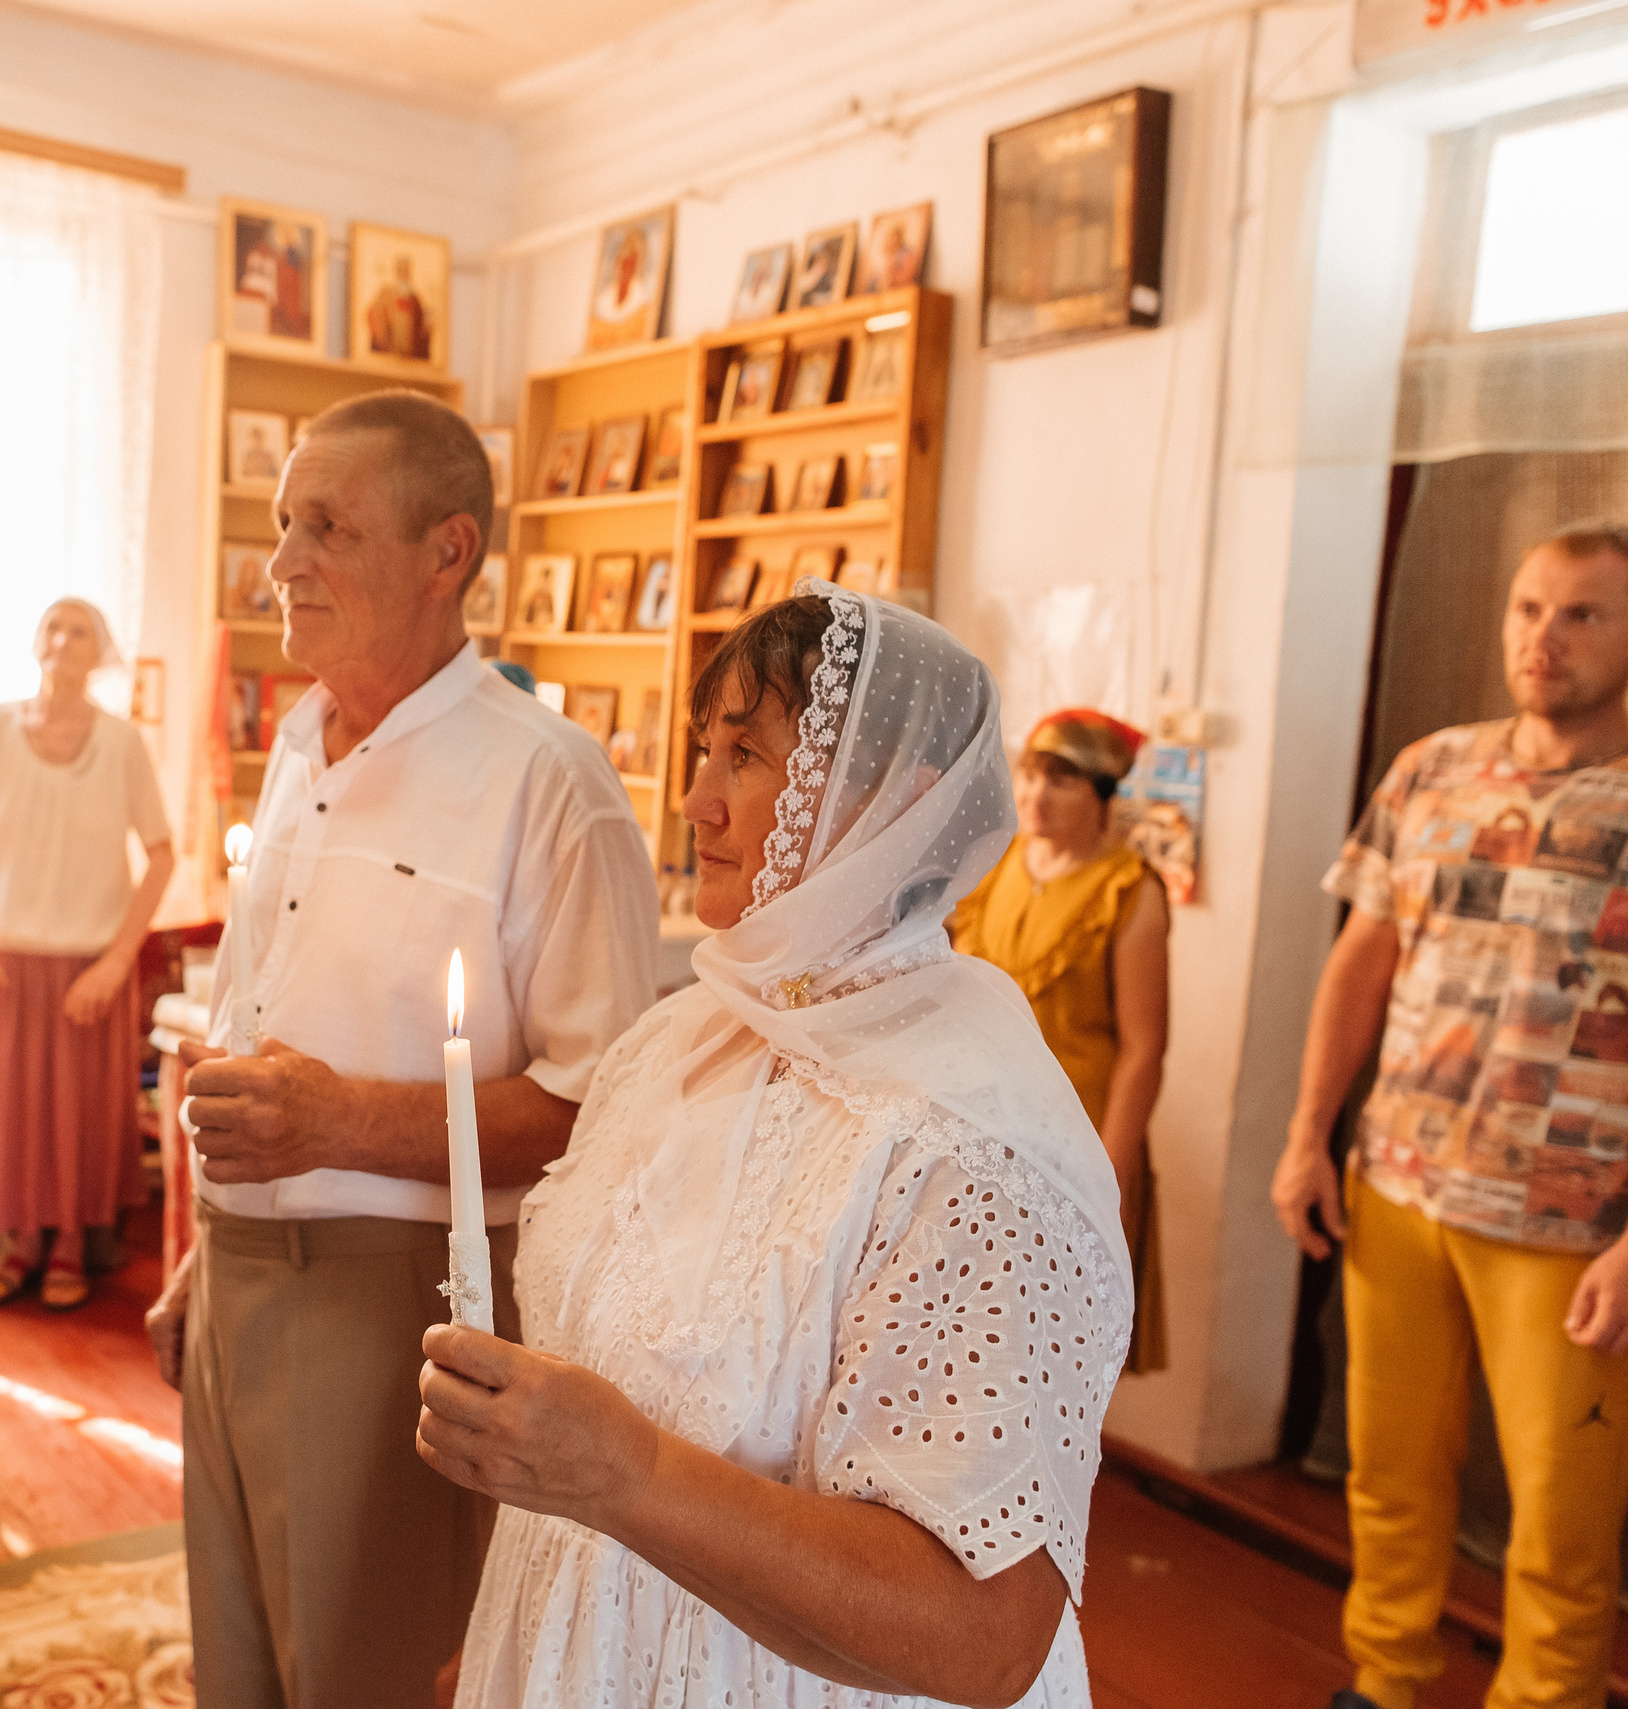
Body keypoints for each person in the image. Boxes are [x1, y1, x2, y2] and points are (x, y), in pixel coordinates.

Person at [416, 591, 1131, 1708]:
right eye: (705, 751)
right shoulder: (675, 1040)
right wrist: (536, 1600)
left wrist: (627, 1475)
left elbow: (984, 1636)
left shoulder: (969, 1145)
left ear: (881, 803)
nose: (693, 802)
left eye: (745, 756)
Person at [148, 390, 659, 1709]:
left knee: (359, 1676)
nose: (283, 563)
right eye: (280, 526)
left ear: (450, 553)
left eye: (326, 526)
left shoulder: (549, 781)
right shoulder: (298, 744)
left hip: (404, 1297)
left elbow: (602, 1110)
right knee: (242, 1666)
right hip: (242, 1272)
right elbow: (260, 1032)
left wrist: (339, 1128)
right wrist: (210, 1252)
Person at [1271, 524, 1628, 1709]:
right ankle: (1384, 1675)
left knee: (1560, 1516)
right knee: (1387, 1474)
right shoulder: (1429, 768)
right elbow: (1362, 960)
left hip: (1571, 1223)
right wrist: (1308, 1130)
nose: (1539, 637)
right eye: (1525, 607)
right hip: (1396, 1181)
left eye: (1580, 614)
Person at [0, 597, 174, 1312]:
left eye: (80, 631)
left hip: (89, 966)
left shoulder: (123, 744)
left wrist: (115, 962)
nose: (63, 641)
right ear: (34, 642)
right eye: (53, 627)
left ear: (99, 652)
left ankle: (70, 1245)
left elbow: (161, 856)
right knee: (6, 1116)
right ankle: (11, 1247)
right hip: (5, 963)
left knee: (78, 1119)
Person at [950, 707, 1171, 1372]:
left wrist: (1111, 1169)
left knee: (1055, 1343)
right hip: (985, 1126)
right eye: (1031, 774)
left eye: (1063, 781)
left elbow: (1143, 1047)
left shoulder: (1128, 892)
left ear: (1103, 797)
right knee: (970, 1325)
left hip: (1074, 1140)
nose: (1036, 794)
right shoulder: (995, 866)